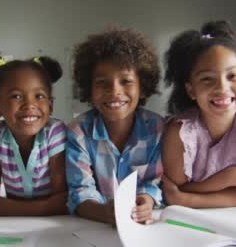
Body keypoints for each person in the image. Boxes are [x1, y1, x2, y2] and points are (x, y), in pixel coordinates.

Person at [162, 20, 236, 208]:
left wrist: (186, 199)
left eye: (232, 76)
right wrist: (232, 176)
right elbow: (173, 190)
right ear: (191, 90)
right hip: (189, 222)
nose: (222, 88)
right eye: (207, 79)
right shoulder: (179, 132)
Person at [66, 27, 164, 225]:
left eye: (126, 81)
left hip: (142, 228)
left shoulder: (157, 128)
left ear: (142, 86)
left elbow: (154, 182)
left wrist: (145, 201)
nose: (114, 91)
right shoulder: (78, 132)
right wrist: (104, 212)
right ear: (89, 88)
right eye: (102, 82)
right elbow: (80, 191)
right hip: (94, 226)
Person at [0, 56, 68, 216]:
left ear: (51, 105)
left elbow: (63, 201)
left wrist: (6, 208)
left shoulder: (55, 132)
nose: (30, 105)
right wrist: (46, 206)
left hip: (55, 222)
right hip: (14, 225)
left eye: (39, 96)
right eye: (16, 96)